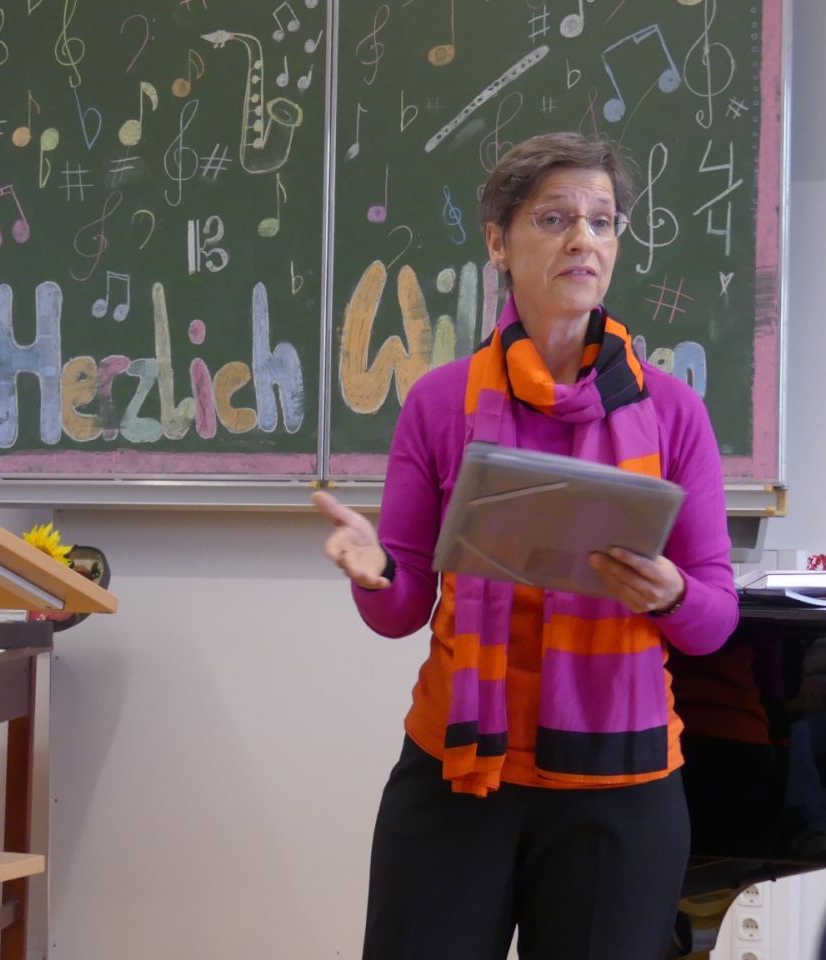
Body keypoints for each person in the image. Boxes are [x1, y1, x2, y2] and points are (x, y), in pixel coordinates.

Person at [314, 132, 738, 960]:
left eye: (602, 221)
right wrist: (376, 573)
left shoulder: (673, 413)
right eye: (554, 219)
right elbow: (402, 612)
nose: (584, 239)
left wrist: (673, 595)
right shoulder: (441, 403)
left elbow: (715, 619)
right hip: (459, 770)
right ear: (499, 242)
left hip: (621, 786)